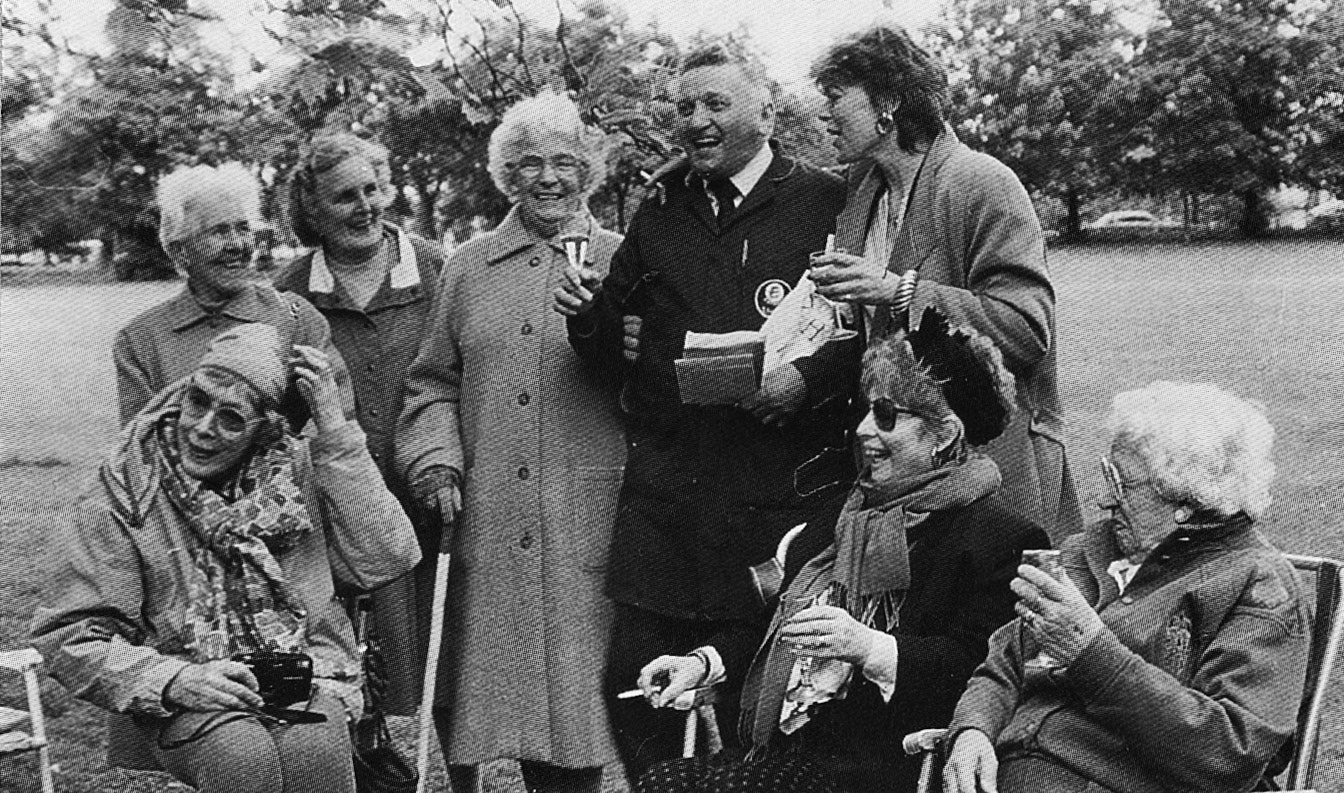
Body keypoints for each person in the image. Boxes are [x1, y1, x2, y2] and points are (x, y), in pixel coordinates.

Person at [553, 45, 856, 781]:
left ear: (766, 111)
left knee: (771, 706)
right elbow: (609, 348)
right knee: (635, 689)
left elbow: (864, 333)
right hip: (667, 505)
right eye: (685, 107)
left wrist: (806, 383)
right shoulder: (658, 208)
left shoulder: (827, 200)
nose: (697, 121)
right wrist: (586, 314)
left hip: (777, 502)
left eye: (716, 103)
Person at [633, 309, 1048, 793]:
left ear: (945, 434)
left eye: (887, 415)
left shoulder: (1000, 540)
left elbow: (980, 668)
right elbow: (774, 629)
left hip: (889, 769)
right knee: (661, 783)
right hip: (791, 755)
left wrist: (868, 647)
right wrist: (702, 663)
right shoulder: (843, 513)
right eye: (867, 411)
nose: (863, 431)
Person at [31, 323, 421, 793]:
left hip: (300, 668)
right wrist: (175, 678)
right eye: (198, 401)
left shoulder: (292, 471)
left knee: (315, 749)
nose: (201, 428)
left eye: (231, 418)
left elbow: (389, 554)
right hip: (183, 674)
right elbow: (71, 634)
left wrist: (335, 432)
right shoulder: (123, 491)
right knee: (242, 756)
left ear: (265, 431)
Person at [395, 91, 625, 793]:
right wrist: (435, 460)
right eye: (529, 165)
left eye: (564, 162)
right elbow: (432, 382)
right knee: (504, 704)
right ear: (507, 176)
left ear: (589, 169)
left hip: (587, 516)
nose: (549, 178)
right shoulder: (469, 266)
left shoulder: (624, 259)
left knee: (582, 712)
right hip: (492, 516)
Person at [944, 381, 1311, 793]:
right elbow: (1006, 661)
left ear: (1185, 501)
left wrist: (1091, 653)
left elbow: (1230, 753)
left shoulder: (1260, 588)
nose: (1104, 501)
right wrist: (972, 729)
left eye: (1122, 484)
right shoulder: (1087, 549)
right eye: (1107, 475)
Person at [804, 25, 1081, 541]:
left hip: (993, 468)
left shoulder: (982, 183)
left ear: (886, 102)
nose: (824, 113)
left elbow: (1025, 329)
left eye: (836, 97)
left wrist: (899, 291)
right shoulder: (864, 190)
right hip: (907, 472)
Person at [276, 133, 445, 716]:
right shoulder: (289, 293)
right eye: (345, 196)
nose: (365, 206)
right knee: (356, 675)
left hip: (433, 497)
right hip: (338, 509)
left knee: (445, 668)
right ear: (313, 210)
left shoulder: (437, 271)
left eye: (372, 189)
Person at [114, 162, 352, 428]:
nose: (238, 245)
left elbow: (339, 423)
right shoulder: (139, 341)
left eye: (243, 228)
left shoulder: (297, 319)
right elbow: (139, 450)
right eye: (219, 231)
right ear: (180, 251)